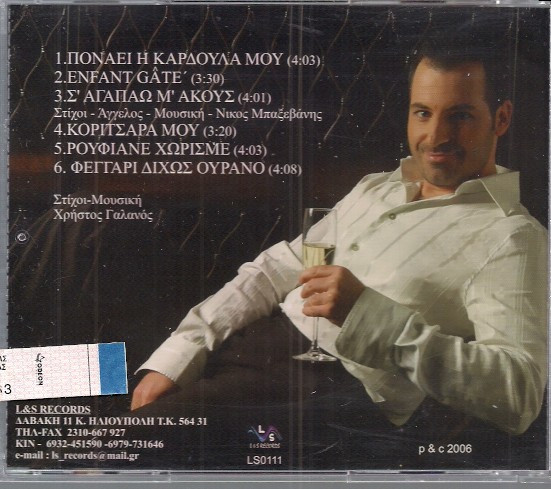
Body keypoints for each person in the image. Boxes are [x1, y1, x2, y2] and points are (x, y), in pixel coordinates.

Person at [131, 32, 548, 440]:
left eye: (459, 116)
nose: (436, 136)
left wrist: (367, 315)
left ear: (501, 118)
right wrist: (177, 356)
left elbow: (519, 394)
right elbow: (276, 269)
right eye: (423, 113)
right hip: (248, 341)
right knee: (96, 383)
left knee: (118, 442)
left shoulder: (514, 236)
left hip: (322, 391)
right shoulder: (377, 187)